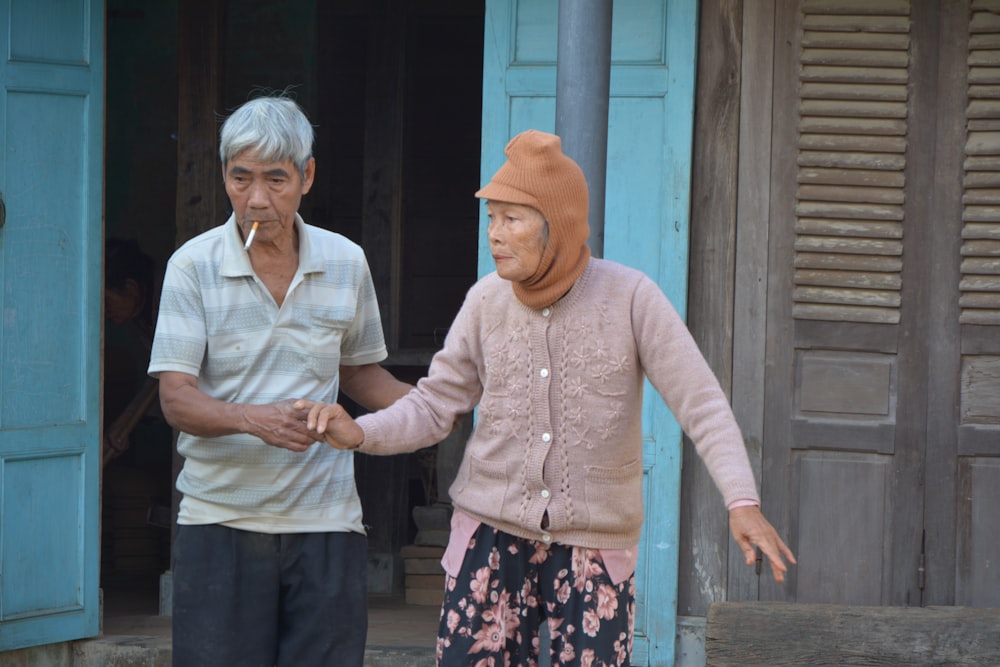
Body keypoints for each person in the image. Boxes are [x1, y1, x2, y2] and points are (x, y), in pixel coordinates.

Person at [300, 130, 796, 666]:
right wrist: (361, 432)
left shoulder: (631, 298)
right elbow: (434, 405)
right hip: (488, 535)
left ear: (555, 225)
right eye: (492, 218)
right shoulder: (485, 302)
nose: (495, 235)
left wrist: (741, 502)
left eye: (512, 218)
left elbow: (700, 402)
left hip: (594, 545)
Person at [148, 93, 412, 667]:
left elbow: (359, 372)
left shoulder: (346, 261)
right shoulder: (192, 266)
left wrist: (438, 405)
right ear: (224, 176)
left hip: (327, 522)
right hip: (220, 521)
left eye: (276, 179)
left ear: (307, 176)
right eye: (240, 179)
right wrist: (251, 419)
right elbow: (176, 398)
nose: (257, 200)